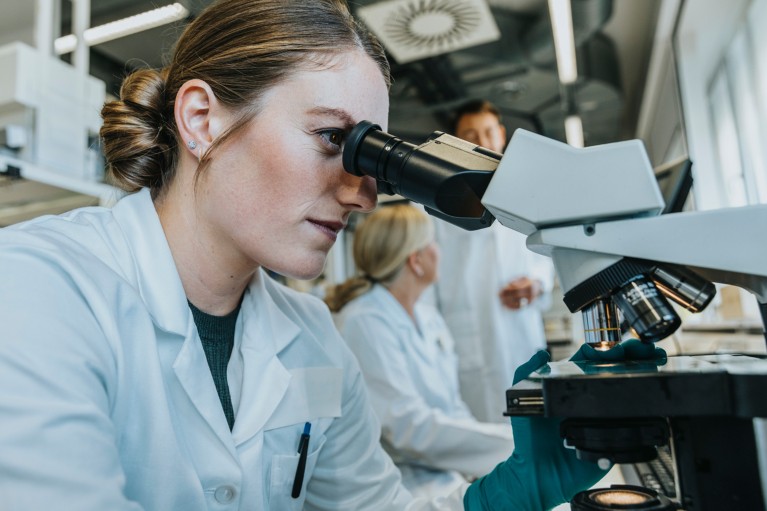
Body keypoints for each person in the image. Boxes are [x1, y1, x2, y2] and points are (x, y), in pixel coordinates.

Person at [0, 1, 608, 509]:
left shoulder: (312, 337)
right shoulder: (39, 288)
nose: (364, 193)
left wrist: (501, 497)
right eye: (332, 139)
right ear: (202, 119)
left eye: (372, 160)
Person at [326, 204, 515, 499]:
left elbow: (453, 408)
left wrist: (489, 458)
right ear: (416, 261)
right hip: (398, 482)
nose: (439, 252)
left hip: (444, 472)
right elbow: (403, 427)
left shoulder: (429, 318)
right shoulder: (364, 321)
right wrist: (511, 446)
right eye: (433, 244)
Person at [428, 99, 557, 424]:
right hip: (467, 340)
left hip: (520, 330)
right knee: (484, 436)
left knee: (534, 427)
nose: (482, 143)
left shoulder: (528, 192)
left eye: (488, 133)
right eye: (471, 135)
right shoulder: (437, 200)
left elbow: (549, 254)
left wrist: (537, 284)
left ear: (501, 134)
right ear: (456, 142)